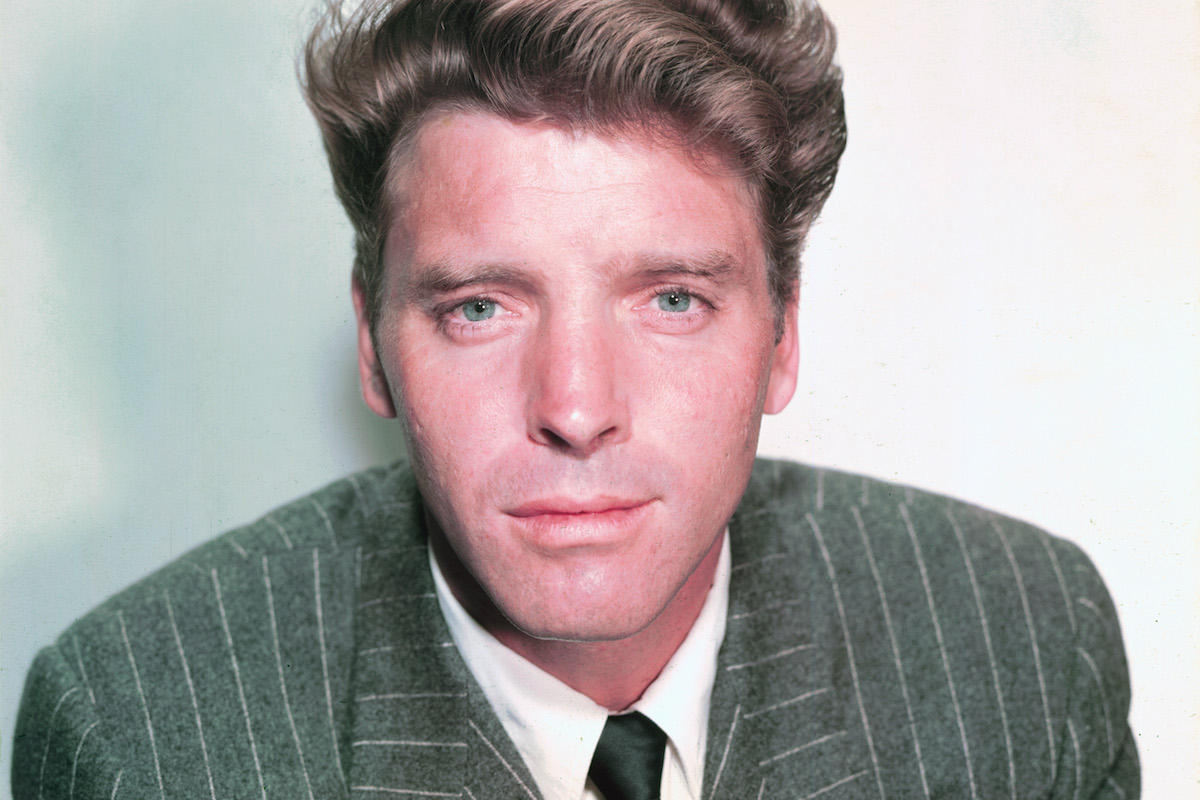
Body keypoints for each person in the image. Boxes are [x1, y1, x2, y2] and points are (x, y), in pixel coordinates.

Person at [13, 1, 1137, 798]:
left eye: (673, 300)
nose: (576, 407)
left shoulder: (1022, 646)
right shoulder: (136, 732)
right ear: (373, 345)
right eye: (479, 308)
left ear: (783, 335)